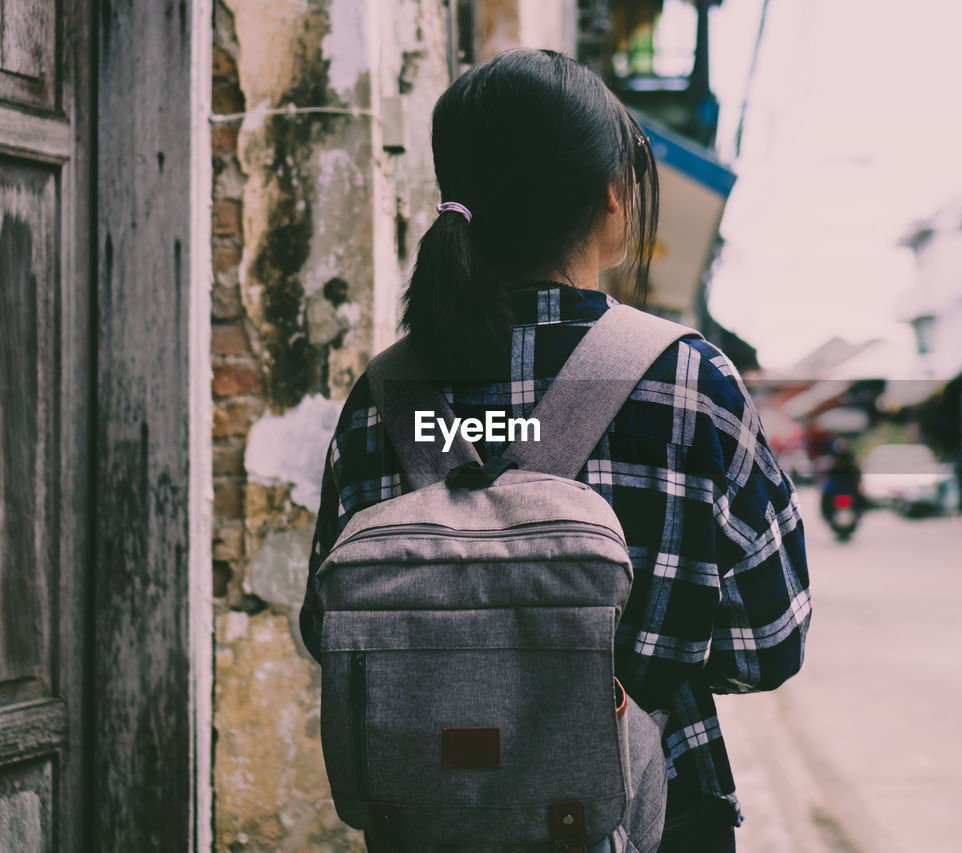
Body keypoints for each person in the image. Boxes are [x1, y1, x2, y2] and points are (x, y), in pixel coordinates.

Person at [297, 48, 811, 852]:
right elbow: (768, 643)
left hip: (436, 825)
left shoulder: (386, 397)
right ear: (612, 197)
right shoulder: (685, 380)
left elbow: (325, 627)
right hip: (651, 817)